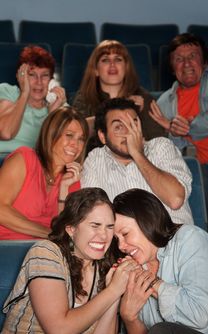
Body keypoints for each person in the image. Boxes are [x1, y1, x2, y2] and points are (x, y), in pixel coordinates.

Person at [2, 188, 138, 333]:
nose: (104, 236)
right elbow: (59, 329)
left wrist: (115, 292)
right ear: (71, 229)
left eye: (109, 227)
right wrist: (112, 290)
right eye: (95, 226)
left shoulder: (103, 268)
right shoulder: (45, 252)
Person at [113, 188, 208, 334]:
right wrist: (130, 318)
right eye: (116, 239)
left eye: (125, 234)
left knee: (161, 330)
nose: (120, 246)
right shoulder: (135, 268)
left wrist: (153, 283)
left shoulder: (190, 238)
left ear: (147, 220)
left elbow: (200, 314)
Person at [149, 33, 208, 224]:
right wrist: (175, 133)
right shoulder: (164, 103)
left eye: (192, 56)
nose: (186, 63)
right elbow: (169, 150)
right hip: (192, 171)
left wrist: (187, 128)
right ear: (172, 67)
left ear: (204, 60)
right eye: (179, 59)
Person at [81, 98, 193, 225]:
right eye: (118, 127)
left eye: (133, 124)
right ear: (102, 136)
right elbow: (92, 216)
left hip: (175, 240)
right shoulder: (96, 160)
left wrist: (138, 154)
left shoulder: (161, 147)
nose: (128, 132)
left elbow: (175, 199)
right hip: (123, 242)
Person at [0, 106, 89, 240]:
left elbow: (64, 230)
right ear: (52, 134)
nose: (75, 144)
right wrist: (48, 233)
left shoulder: (72, 180)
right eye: (69, 135)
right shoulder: (24, 159)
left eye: (81, 139)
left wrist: (64, 189)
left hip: (44, 252)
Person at [73, 39, 165, 140]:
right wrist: (118, 112)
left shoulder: (144, 98)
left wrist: (139, 115)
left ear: (126, 68)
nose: (112, 64)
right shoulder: (84, 98)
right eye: (105, 60)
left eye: (118, 59)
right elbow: (76, 132)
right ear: (96, 70)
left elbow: (159, 142)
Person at [0, 45, 66, 160]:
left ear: (52, 80)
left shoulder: (58, 103)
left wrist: (52, 116)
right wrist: (24, 93)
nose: (39, 82)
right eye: (32, 75)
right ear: (20, 76)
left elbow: (54, 152)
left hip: (33, 165)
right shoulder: (7, 92)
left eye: (45, 75)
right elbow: (6, 133)